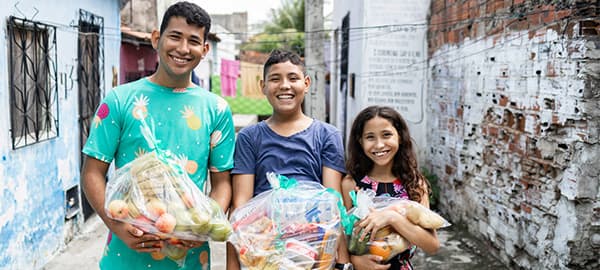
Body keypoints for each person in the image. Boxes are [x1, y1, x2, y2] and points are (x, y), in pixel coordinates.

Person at [81, 2, 235, 269]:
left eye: (194, 41)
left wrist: (202, 225)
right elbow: (92, 172)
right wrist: (117, 227)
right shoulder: (119, 100)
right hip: (125, 258)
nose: (183, 48)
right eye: (175, 36)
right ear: (156, 39)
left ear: (205, 50)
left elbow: (222, 183)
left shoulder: (217, 109)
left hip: (190, 259)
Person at [227, 49, 352, 270]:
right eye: (275, 79)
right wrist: (233, 264)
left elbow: (334, 204)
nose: (285, 85)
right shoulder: (249, 137)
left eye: (293, 78)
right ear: (262, 86)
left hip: (316, 253)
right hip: (264, 253)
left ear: (306, 83)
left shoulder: (326, 135)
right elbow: (241, 206)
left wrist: (343, 263)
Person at [341, 105, 440, 270]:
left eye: (386, 135)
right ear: (360, 141)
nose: (379, 145)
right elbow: (342, 236)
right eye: (370, 137)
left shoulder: (414, 184)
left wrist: (391, 218)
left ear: (400, 137)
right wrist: (355, 261)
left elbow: (432, 245)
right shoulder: (351, 184)